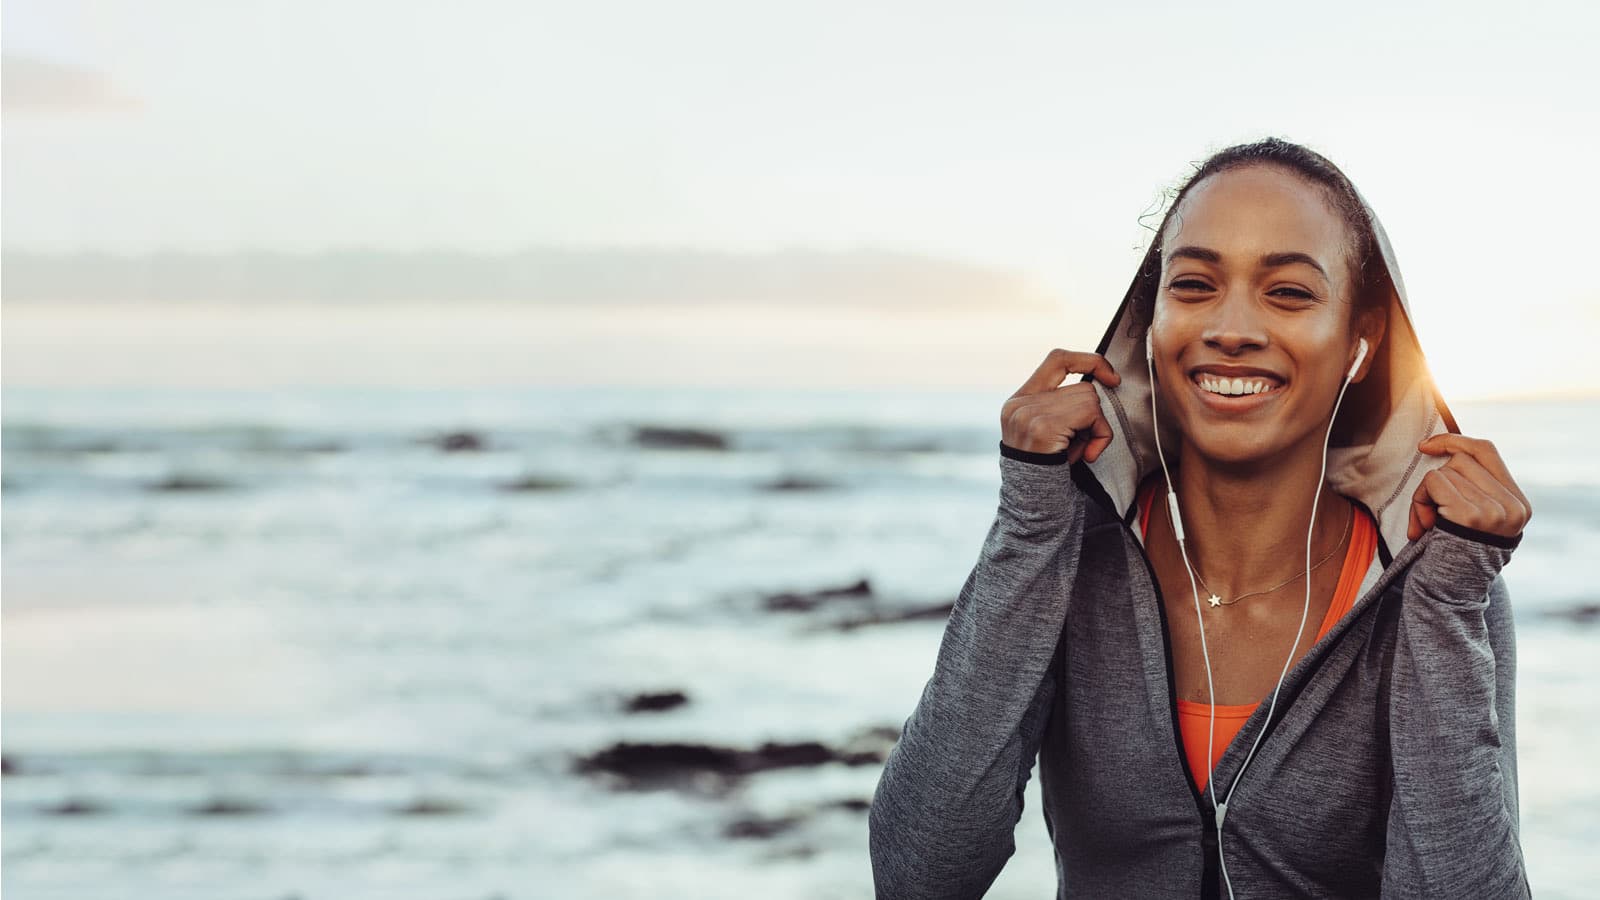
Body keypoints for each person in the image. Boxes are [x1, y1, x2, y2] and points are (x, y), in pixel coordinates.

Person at [867, 137, 1533, 899]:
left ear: (1362, 337)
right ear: (1150, 318)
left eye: (1288, 293)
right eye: (1193, 285)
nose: (1232, 328)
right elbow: (918, 874)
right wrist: (1027, 522)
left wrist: (1448, 603)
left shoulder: (1429, 586)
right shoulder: (1063, 551)